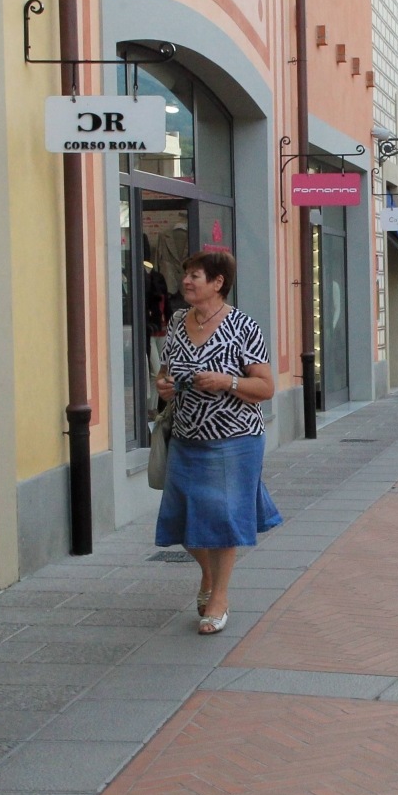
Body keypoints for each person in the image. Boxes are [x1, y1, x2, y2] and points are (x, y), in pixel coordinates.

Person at [154, 251, 281, 634]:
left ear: (218, 283)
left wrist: (227, 381)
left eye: (195, 276)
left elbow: (266, 388)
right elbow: (164, 375)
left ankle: (220, 597)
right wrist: (164, 388)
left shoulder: (243, 326)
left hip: (235, 439)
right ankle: (208, 576)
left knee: (223, 520)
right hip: (186, 437)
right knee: (184, 523)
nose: (187, 281)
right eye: (186, 275)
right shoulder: (177, 322)